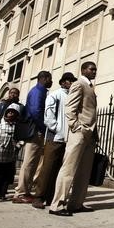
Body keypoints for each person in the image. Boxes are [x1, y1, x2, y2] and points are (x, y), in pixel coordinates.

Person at [51, 61, 98, 216]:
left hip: (90, 135)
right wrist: (77, 127)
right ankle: (57, 205)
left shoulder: (90, 87)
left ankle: (76, 203)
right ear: (83, 70)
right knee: (69, 169)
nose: (94, 71)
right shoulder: (78, 84)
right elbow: (70, 108)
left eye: (95, 69)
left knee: (84, 172)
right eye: (91, 69)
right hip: (80, 132)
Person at [33, 72, 77, 209]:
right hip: (55, 137)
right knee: (47, 168)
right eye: (68, 80)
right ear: (62, 82)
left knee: (59, 169)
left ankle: (51, 196)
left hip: (68, 138)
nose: (70, 83)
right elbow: (49, 115)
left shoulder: (72, 96)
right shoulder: (55, 95)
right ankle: (39, 196)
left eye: (72, 80)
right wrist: (57, 129)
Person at [14, 71, 53, 204]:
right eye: (50, 79)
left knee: (34, 162)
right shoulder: (38, 91)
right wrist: (44, 128)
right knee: (30, 162)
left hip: (36, 129)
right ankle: (20, 193)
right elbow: (36, 111)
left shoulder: (39, 91)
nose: (51, 82)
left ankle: (26, 190)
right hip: (36, 130)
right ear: (44, 78)